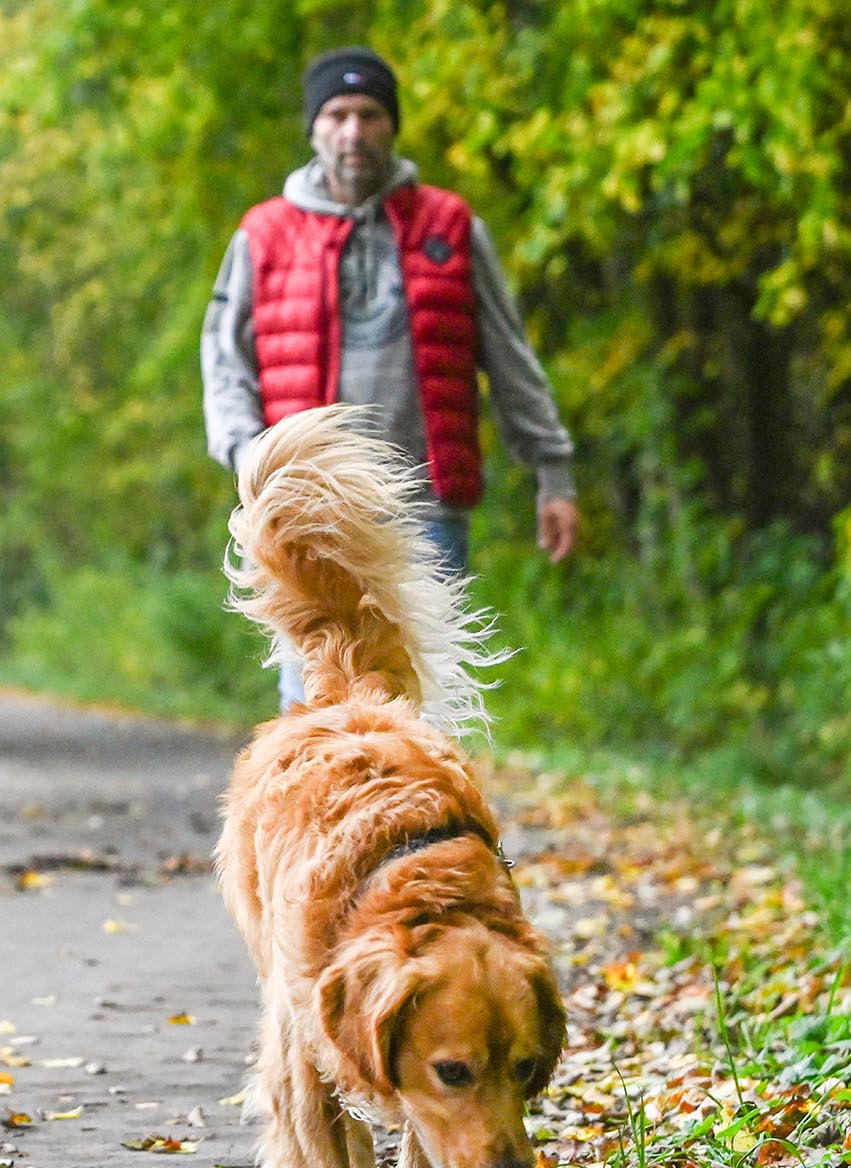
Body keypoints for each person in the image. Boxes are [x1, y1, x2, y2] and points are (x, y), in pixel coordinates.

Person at [201, 46, 579, 708]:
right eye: (338, 115)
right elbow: (224, 363)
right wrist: (249, 457)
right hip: (307, 507)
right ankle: (316, 812)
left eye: (370, 114)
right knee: (314, 690)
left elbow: (510, 356)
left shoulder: (450, 229)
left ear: (392, 125)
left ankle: (417, 813)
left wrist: (553, 471)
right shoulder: (266, 234)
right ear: (314, 127)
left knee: (418, 696)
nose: (353, 132)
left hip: (426, 502)